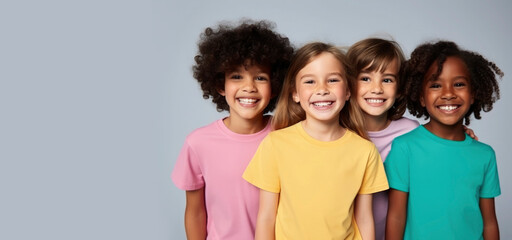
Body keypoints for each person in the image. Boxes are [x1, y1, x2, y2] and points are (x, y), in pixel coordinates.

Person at [243, 42, 389, 240]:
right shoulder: (275, 144)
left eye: (333, 80)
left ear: (347, 91)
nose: (322, 89)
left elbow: (364, 218)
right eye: (310, 82)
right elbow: (266, 217)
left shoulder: (365, 151)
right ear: (295, 93)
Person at [171, 20, 293, 240]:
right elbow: (196, 211)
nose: (249, 87)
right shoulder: (198, 143)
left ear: (275, 86)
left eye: (260, 77)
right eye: (236, 76)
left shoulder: (288, 132)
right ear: (220, 85)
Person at [385, 41, 502, 240]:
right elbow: (396, 216)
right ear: (421, 97)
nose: (448, 93)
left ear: (473, 94)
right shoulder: (404, 148)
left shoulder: (485, 154)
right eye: (436, 85)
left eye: (458, 84)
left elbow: (489, 221)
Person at [346, 38, 419, 240]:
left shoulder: (409, 132)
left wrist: (460, 133)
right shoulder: (337, 132)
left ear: (400, 87)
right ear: (348, 84)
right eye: (365, 78)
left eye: (387, 79)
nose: (377, 88)